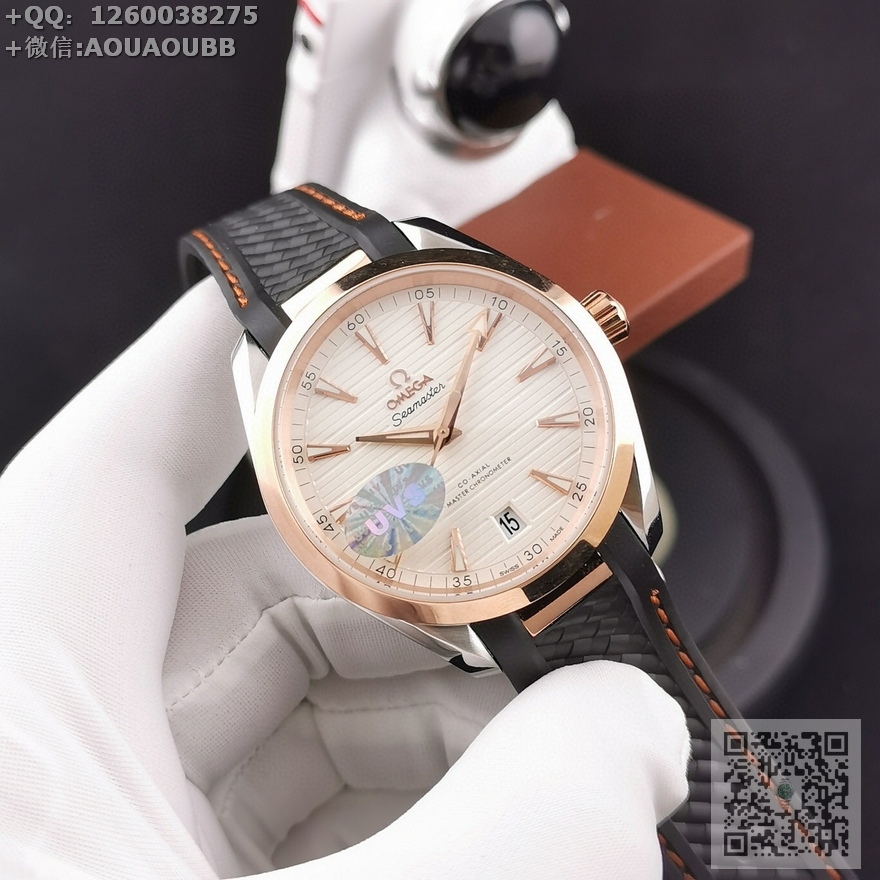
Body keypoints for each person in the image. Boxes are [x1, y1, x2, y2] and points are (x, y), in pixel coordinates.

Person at [0, 277, 690, 878]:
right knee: (725, 795)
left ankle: (756, 829)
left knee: (725, 797)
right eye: (433, 436)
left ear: (593, 327)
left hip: (545, 529)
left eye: (442, 430)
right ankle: (756, 832)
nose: (439, 435)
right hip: (467, 576)